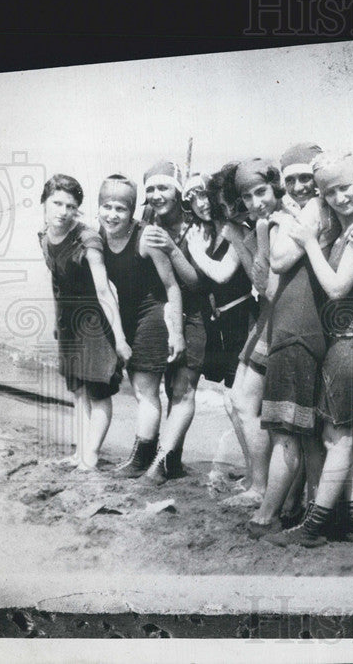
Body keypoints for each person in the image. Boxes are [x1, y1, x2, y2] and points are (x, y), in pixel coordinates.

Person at [263, 153, 353, 547]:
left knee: (339, 440)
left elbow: (336, 287)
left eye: (345, 188)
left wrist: (308, 241)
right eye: (330, 192)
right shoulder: (349, 223)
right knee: (346, 437)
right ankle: (351, 525)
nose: (339, 197)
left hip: (351, 344)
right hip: (351, 344)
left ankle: (313, 528)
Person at [242, 156, 335, 539]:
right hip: (298, 329)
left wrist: (271, 228)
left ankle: (267, 516)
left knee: (285, 432)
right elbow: (267, 282)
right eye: (291, 180)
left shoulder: (312, 209)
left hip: (295, 332)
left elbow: (277, 263)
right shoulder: (309, 210)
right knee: (304, 434)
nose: (298, 188)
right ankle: (306, 511)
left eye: (305, 179)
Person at [38, 174, 128, 471]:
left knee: (98, 392)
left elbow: (104, 291)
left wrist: (120, 339)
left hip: (94, 323)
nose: (63, 211)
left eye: (71, 206)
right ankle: (81, 453)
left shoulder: (88, 239)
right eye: (57, 203)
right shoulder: (44, 236)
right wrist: (57, 321)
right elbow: (56, 281)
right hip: (69, 325)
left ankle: (91, 456)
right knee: (78, 391)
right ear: (45, 202)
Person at [99, 175, 186, 479]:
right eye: (107, 207)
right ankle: (146, 454)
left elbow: (173, 286)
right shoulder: (99, 236)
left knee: (144, 389)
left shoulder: (146, 237)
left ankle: (141, 457)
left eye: (121, 209)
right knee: (138, 388)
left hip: (153, 313)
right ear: (98, 208)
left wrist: (176, 332)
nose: (113, 215)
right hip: (126, 313)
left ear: (132, 210)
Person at [180, 172, 260, 493]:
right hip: (222, 324)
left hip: (244, 318)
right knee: (232, 403)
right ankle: (254, 473)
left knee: (240, 403)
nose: (201, 202)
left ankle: (258, 477)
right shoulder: (205, 232)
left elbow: (223, 274)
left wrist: (194, 249)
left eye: (204, 195)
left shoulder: (233, 229)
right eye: (193, 198)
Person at [138, 160, 205, 484]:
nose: (155, 194)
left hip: (196, 314)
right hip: (165, 312)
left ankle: (162, 464)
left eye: (162, 187)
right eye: (150, 188)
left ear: (178, 191)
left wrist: (171, 249)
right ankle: (172, 458)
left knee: (183, 389)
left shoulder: (196, 224)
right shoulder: (149, 219)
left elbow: (197, 284)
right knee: (167, 387)